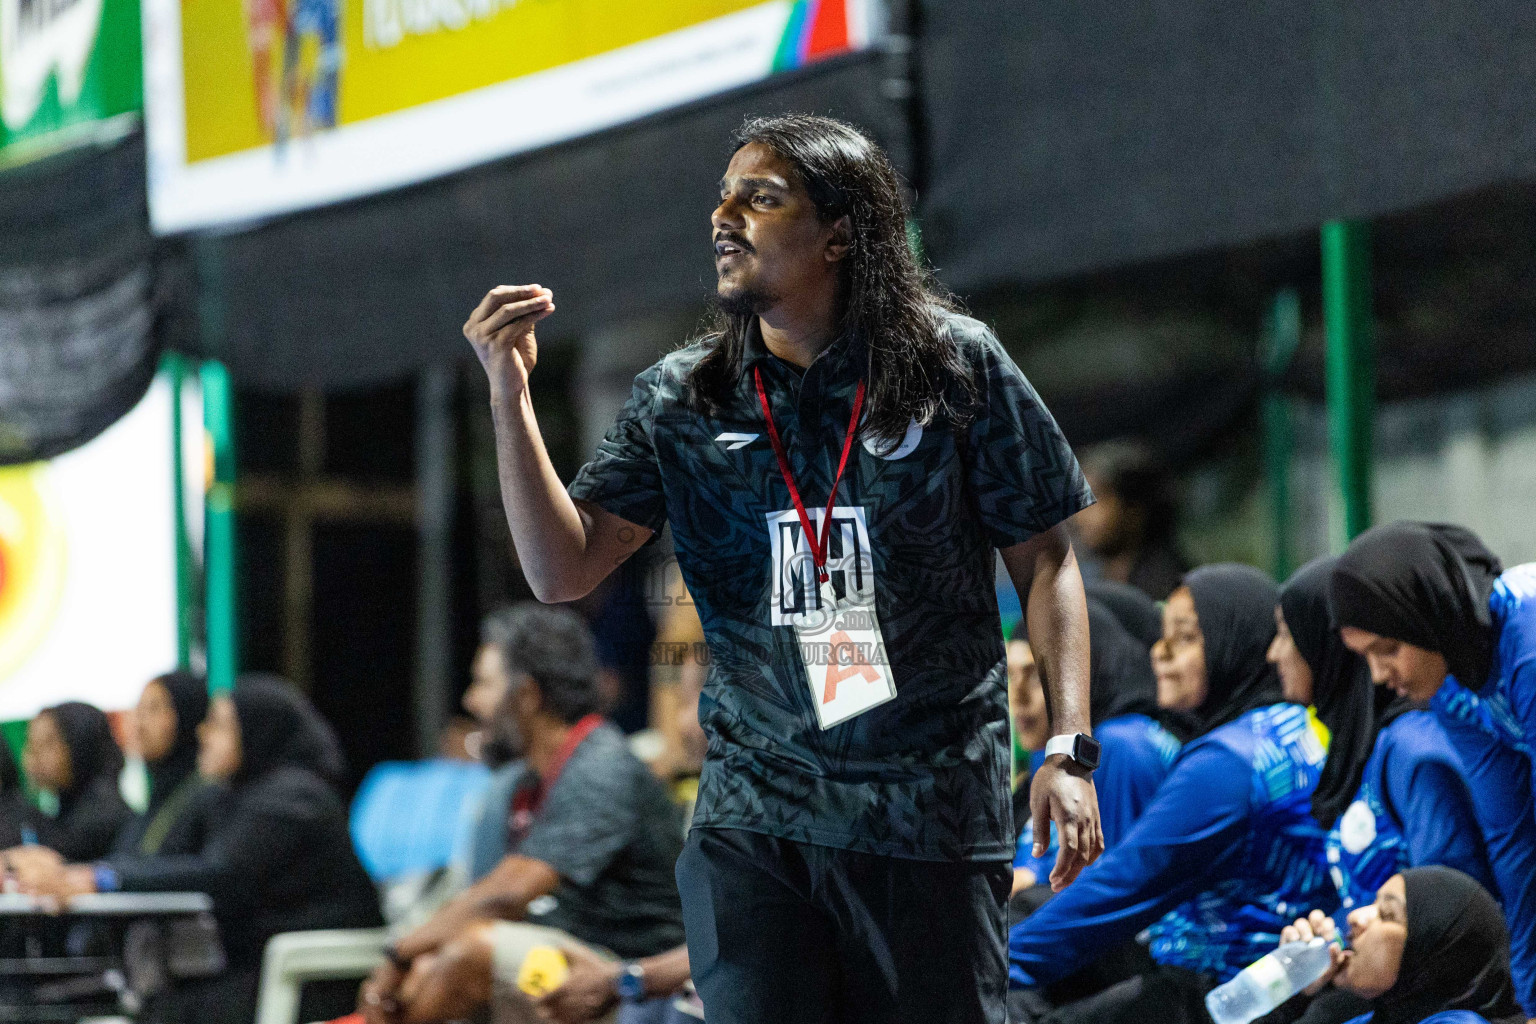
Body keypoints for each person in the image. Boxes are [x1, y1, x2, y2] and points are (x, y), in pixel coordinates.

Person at [458, 112, 1101, 1024]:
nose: (725, 217)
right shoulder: (683, 396)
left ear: (841, 233)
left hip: (929, 813)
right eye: (722, 198)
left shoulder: (955, 366)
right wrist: (510, 401)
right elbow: (562, 571)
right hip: (756, 816)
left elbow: (1048, 562)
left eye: (760, 198)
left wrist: (1068, 749)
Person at [1009, 564, 1333, 1023]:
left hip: (1232, 989)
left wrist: (997, 964)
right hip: (1265, 981)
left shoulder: (1228, 761)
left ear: (1232, 642)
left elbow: (1125, 883)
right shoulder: (1288, 730)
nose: (1158, 654)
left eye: (1184, 638)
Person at [362, 603, 686, 1024]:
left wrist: (398, 953)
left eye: (484, 684)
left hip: (624, 975)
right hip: (563, 957)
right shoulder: (525, 781)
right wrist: (415, 957)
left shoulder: (601, 765)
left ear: (528, 695)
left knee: (472, 954)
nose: (471, 702)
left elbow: (504, 895)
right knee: (437, 963)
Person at [32, 675, 383, 1023]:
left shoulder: (292, 798)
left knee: (164, 1013)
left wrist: (103, 878)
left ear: (256, 732)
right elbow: (169, 861)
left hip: (315, 976)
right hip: (260, 968)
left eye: (219, 725)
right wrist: (88, 873)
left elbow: (220, 873)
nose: (203, 734)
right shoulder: (239, 795)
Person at [1329, 523, 1536, 1017]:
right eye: (1366, 658)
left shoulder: (1526, 643)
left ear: (1425, 617)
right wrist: (1529, 1000)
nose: (1379, 675)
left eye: (1388, 649)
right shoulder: (1454, 682)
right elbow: (1513, 838)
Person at [1272, 557, 1494, 912]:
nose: (1273, 654)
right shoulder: (1362, 745)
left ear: (1329, 644)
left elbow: (1452, 914)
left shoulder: (1413, 748)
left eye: (1286, 633)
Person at [1013, 596, 1186, 891]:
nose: (1017, 695)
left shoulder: (1126, 745)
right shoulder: (1052, 749)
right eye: (1010, 675)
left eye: (1034, 676)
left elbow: (1119, 889)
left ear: (1081, 673)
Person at [1265, 867, 1525, 1024]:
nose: (1356, 917)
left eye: (1386, 914)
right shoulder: (1359, 1011)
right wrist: (1290, 987)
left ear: (1434, 955)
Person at [1074, 441, 1188, 600]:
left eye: (1095, 497)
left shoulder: (1168, 591)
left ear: (1134, 509)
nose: (1081, 516)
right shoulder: (1095, 579)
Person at [18, 702, 130, 862]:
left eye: (48, 743)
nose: (33, 756)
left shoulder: (101, 816)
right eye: (30, 743)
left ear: (80, 745)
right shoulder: (65, 810)